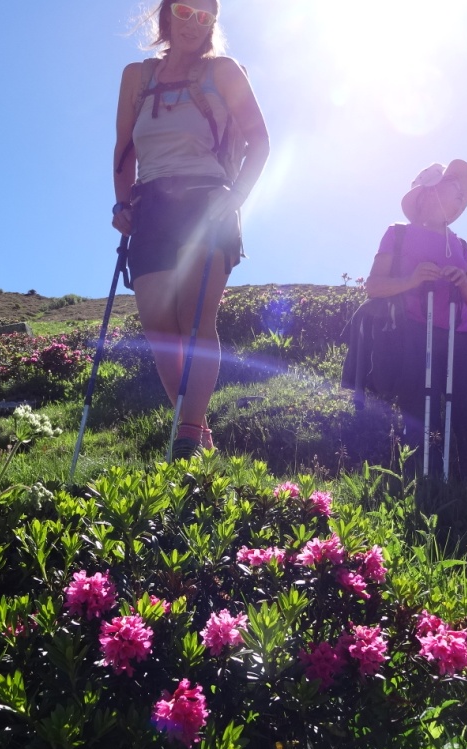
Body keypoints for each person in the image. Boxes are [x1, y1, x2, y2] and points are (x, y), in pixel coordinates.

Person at [112, 1, 269, 459]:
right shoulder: (137, 77)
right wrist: (122, 203)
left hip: (209, 200)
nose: (193, 23)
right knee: (159, 324)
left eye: (205, 16)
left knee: (193, 315)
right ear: (165, 14)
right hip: (151, 204)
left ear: (213, 25)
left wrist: (236, 196)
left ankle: (187, 433)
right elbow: (124, 152)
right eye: (184, 10)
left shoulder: (223, 71)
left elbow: (259, 139)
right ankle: (196, 432)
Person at [365, 160, 467, 484]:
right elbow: (374, 286)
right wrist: (412, 280)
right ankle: (424, 485)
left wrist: (462, 282)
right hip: (415, 331)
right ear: (428, 193)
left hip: (464, 335)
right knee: (421, 413)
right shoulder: (397, 235)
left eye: (463, 196)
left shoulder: (461, 244)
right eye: (455, 190)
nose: (460, 199)